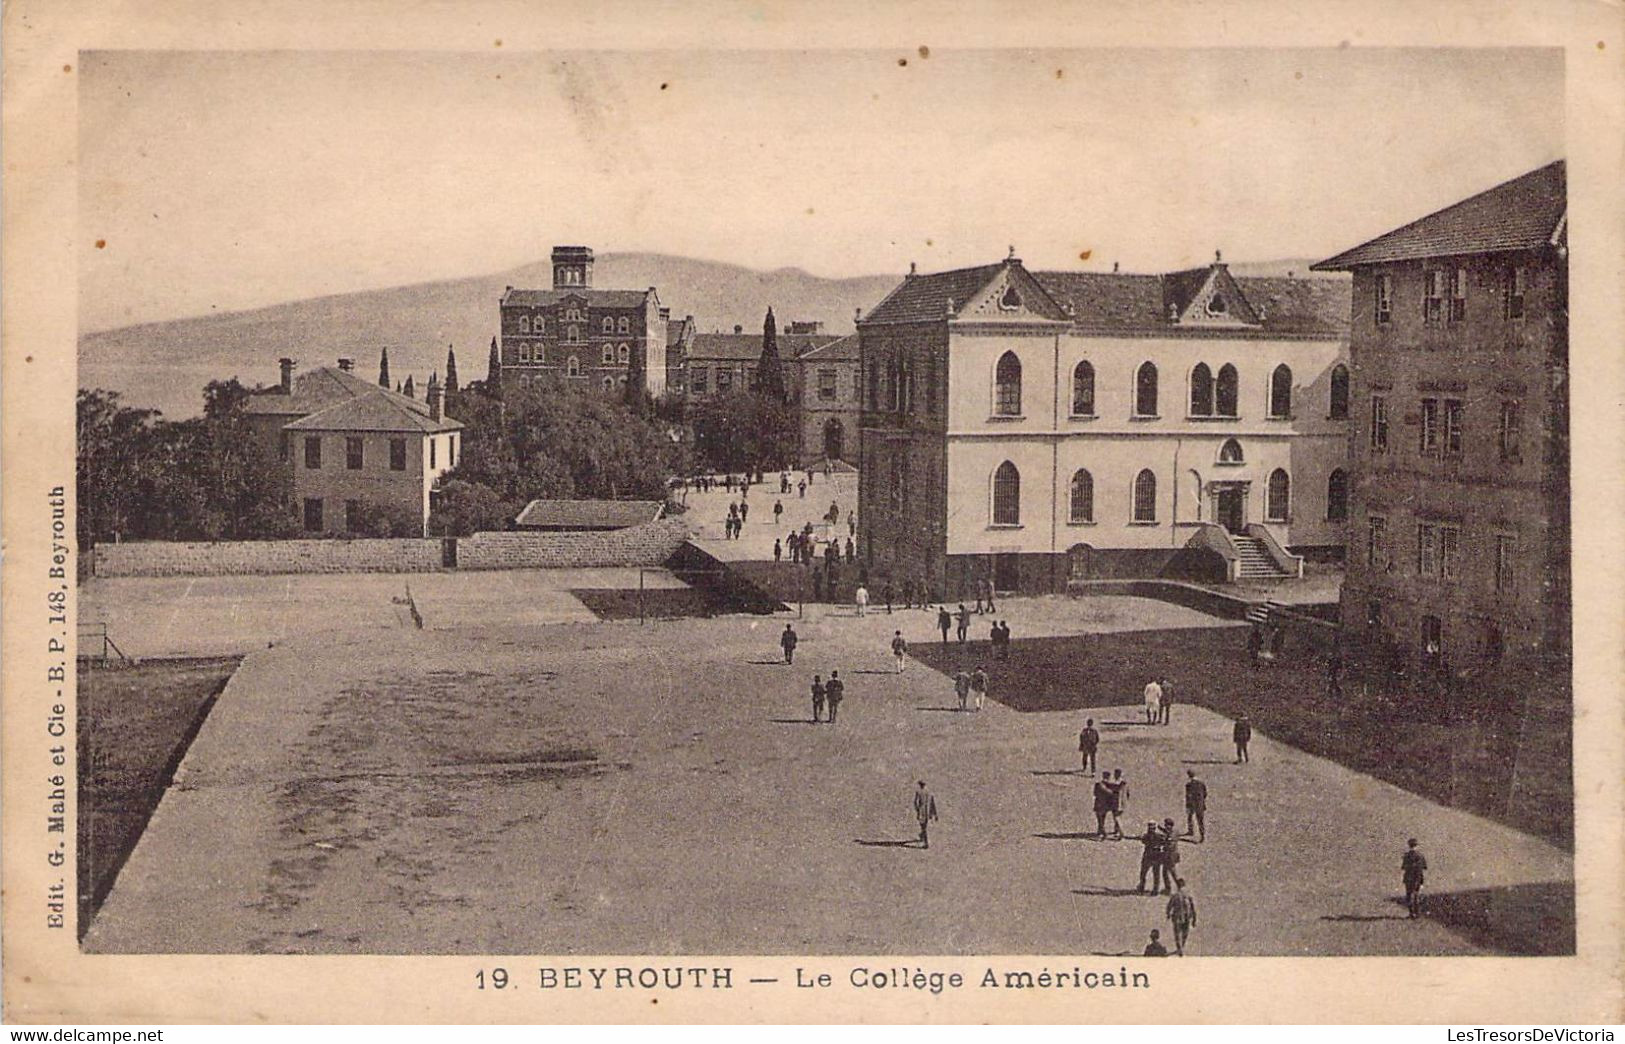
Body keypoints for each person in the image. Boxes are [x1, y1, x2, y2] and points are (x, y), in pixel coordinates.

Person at [1165, 878, 1197, 955]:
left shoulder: (1175, 896)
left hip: (1177, 917)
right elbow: (1193, 907)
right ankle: (1182, 946)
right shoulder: (1188, 895)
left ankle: (1179, 948)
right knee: (1185, 933)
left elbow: (1169, 906)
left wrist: (1168, 914)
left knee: (1177, 933)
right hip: (1187, 916)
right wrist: (1194, 919)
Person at [1402, 838, 1427, 919]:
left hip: (1409, 878)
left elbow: (1403, 867)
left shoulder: (1406, 856)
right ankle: (1417, 913)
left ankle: (1411, 913)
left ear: (1409, 846)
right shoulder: (1421, 855)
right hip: (1418, 878)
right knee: (1416, 895)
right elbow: (1424, 867)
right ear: (1417, 846)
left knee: (1409, 895)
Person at [1136, 821, 1165, 893]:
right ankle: (1155, 889)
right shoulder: (1159, 836)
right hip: (1156, 855)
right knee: (1155, 873)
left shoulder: (1146, 836)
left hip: (1149, 856)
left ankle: (1142, 887)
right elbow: (1164, 842)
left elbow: (1143, 841)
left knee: (1144, 873)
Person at [1158, 818, 1181, 894]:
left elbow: (1170, 845)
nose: (1166, 827)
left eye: (1167, 825)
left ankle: (1173, 887)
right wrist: (1161, 829)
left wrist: (1163, 844)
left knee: (1171, 872)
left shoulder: (1171, 835)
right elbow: (1167, 832)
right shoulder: (1175, 831)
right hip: (1172, 855)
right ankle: (1170, 887)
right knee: (1166, 872)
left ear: (1170, 826)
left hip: (1170, 856)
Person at [913, 781, 939, 849]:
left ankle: (926, 842)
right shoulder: (929, 792)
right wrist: (935, 814)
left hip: (922, 812)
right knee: (924, 826)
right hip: (928, 812)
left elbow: (915, 803)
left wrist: (917, 810)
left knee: (923, 827)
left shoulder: (919, 792)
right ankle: (922, 836)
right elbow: (933, 803)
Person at [1184, 769, 1208, 841]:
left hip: (1192, 804)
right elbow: (1205, 794)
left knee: (1190, 817)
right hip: (1200, 804)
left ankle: (1191, 830)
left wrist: (1187, 805)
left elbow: (1188, 796)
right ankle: (1202, 835)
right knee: (1200, 820)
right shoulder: (1201, 783)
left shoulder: (1188, 785)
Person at [1107, 768, 1128, 838]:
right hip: (1122, 803)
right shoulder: (1125, 783)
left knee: (1116, 817)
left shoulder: (1118, 783)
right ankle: (1116, 830)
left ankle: (1121, 832)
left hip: (1117, 803)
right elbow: (1128, 793)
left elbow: (1114, 788)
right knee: (1116, 817)